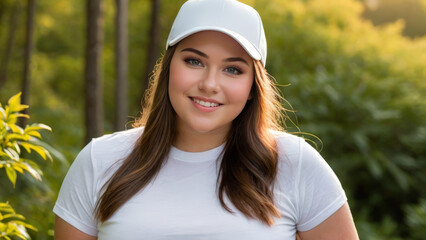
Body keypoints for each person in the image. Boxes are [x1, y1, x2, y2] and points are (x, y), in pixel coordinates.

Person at [53, 0, 359, 239]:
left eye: (233, 69)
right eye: (194, 61)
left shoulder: (296, 165)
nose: (210, 84)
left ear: (253, 86)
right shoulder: (99, 161)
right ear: (169, 67)